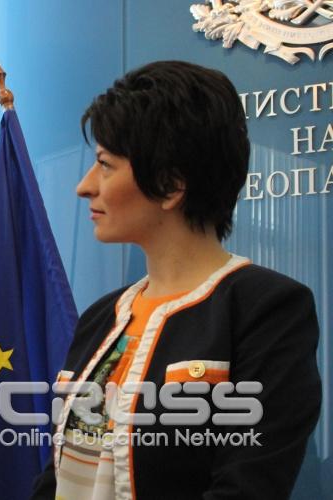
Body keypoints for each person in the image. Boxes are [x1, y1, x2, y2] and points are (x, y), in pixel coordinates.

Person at [31, 60, 321, 499]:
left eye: (105, 165)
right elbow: (57, 477)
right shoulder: (101, 318)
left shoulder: (267, 310)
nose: (85, 186)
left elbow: (247, 487)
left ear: (170, 185)